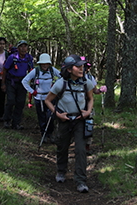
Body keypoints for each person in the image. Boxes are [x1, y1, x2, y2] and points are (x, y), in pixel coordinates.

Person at [45, 54, 94, 193]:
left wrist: (88, 111)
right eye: (78, 66)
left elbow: (90, 98)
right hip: (64, 120)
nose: (81, 69)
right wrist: (58, 114)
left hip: (80, 120)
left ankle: (81, 181)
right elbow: (48, 100)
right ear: (69, 69)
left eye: (82, 66)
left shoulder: (86, 83)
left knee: (80, 149)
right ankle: (61, 171)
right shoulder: (61, 83)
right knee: (62, 146)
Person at [22, 53, 61, 143]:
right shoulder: (35, 71)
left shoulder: (52, 70)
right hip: (39, 98)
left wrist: (55, 85)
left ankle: (50, 134)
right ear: (40, 64)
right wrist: (32, 91)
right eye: (43, 63)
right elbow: (24, 81)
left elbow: (61, 77)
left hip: (50, 98)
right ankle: (44, 134)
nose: (45, 65)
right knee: (42, 117)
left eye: (46, 63)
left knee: (50, 116)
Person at [1, 40, 34, 130]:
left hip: (23, 82)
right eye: (21, 46)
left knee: (20, 102)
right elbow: (4, 70)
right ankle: (7, 120)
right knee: (11, 100)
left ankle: (16, 123)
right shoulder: (12, 57)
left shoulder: (29, 58)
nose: (23, 48)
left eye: (25, 46)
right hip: (11, 81)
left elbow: (32, 70)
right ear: (18, 48)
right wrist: (3, 83)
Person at [80, 56, 107, 155]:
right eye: (81, 66)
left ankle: (87, 146)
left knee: (89, 124)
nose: (84, 69)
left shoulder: (90, 77)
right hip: (75, 104)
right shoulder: (73, 76)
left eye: (85, 67)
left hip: (87, 104)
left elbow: (95, 90)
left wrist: (100, 90)